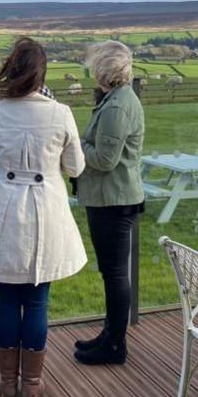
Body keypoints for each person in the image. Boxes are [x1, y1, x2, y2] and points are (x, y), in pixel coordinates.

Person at [0, 37, 86, 397]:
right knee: (36, 301)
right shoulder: (61, 112)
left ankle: (6, 382)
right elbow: (76, 166)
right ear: (41, 73)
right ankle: (31, 384)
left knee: (6, 298)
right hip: (46, 210)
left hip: (3, 209)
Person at [73, 40, 146, 366]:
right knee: (111, 272)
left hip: (113, 201)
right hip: (112, 198)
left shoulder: (117, 107)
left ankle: (115, 344)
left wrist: (74, 148)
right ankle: (109, 334)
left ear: (103, 69)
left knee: (115, 274)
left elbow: (104, 159)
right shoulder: (117, 100)